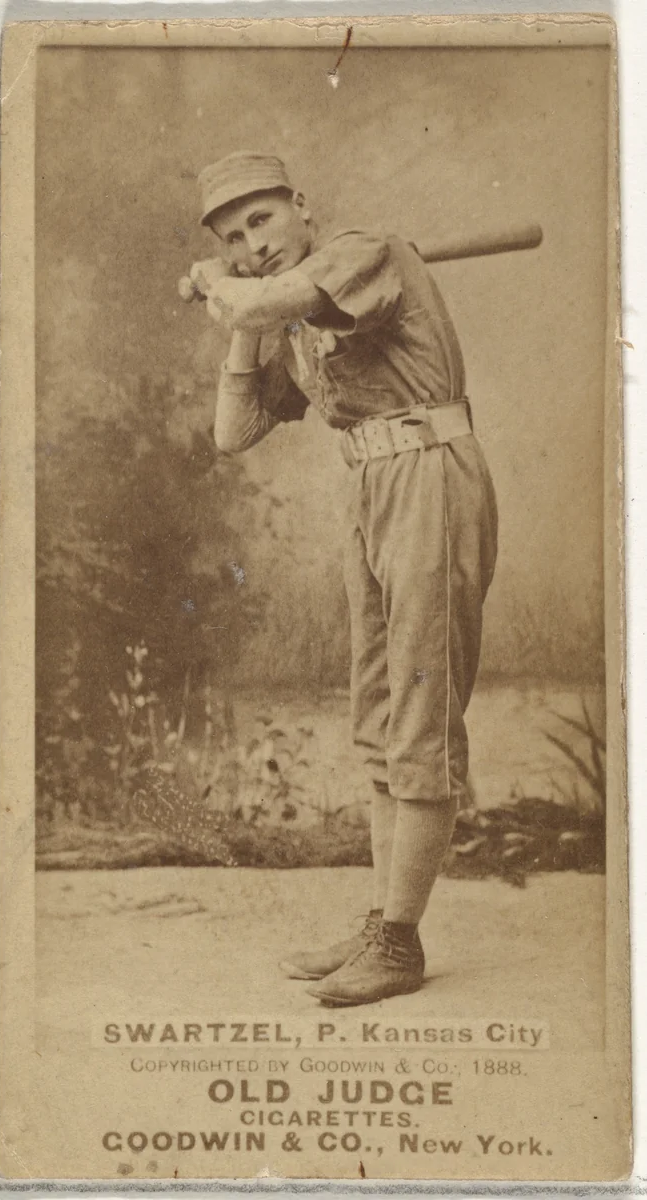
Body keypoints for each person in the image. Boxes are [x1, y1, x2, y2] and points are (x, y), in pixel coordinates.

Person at [189, 151, 498, 1007]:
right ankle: (381, 922)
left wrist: (224, 287)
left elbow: (260, 294)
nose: (251, 245)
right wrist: (244, 323)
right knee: (379, 716)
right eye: (231, 237)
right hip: (371, 490)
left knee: (422, 714)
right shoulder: (296, 320)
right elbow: (232, 433)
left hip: (429, 475)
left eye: (260, 221)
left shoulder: (365, 252)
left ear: (302, 207)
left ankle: (399, 945)